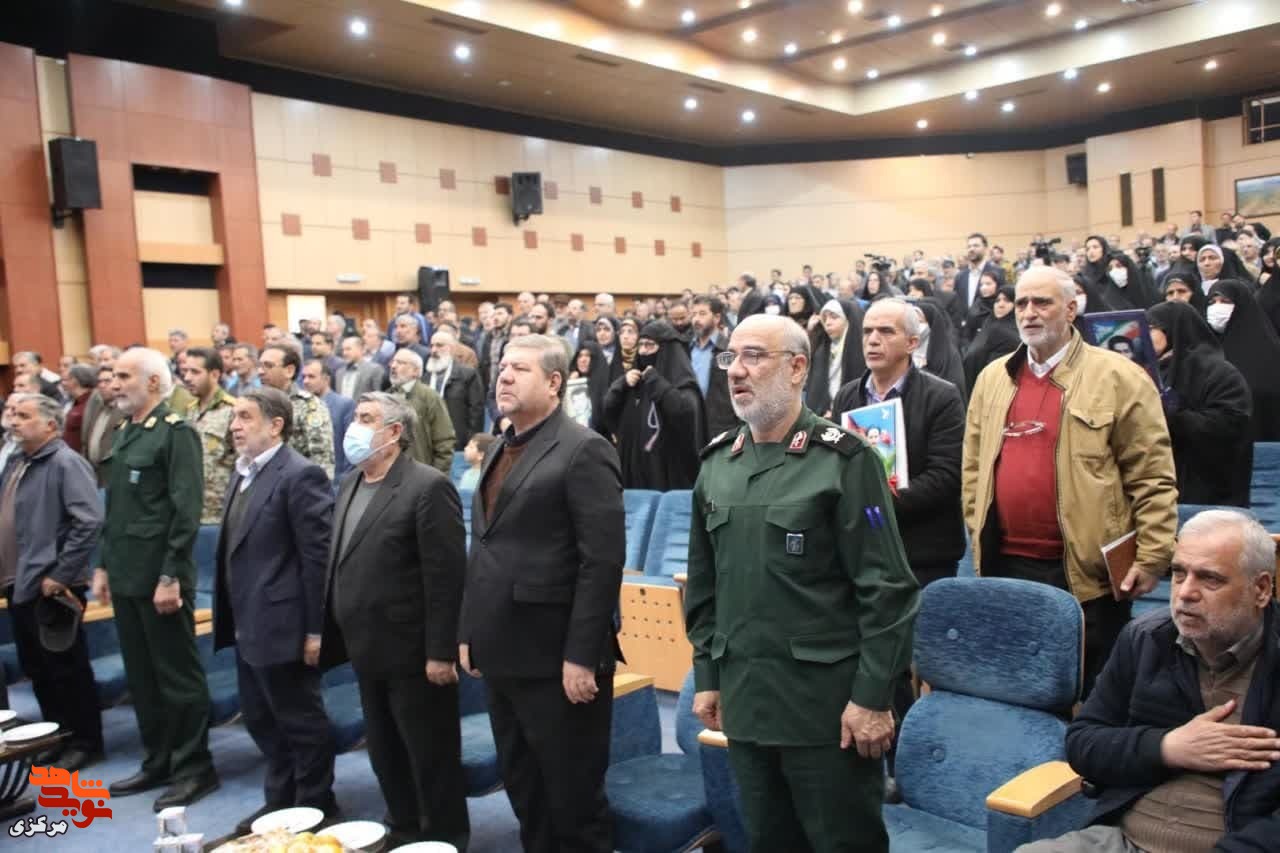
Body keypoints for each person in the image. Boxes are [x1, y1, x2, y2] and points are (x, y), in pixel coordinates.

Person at [685, 314, 920, 853]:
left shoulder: (845, 460)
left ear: (796, 368)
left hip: (827, 713)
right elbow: (703, 588)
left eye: (753, 356)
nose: (735, 370)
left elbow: (888, 590)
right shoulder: (717, 464)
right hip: (746, 703)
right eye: (730, 358)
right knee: (767, 840)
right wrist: (708, 676)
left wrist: (872, 698)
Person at [962, 267, 1178, 695]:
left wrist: (1153, 555)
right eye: (1022, 303)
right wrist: (975, 525)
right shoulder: (992, 378)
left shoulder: (1119, 376)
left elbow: (1152, 474)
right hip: (1008, 568)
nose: (1029, 313)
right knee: (1020, 693)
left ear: (1072, 309)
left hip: (1086, 576)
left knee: (1093, 697)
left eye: (1042, 302)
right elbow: (973, 467)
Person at [1024, 510, 1280, 853]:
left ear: (1260, 589)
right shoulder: (1145, 639)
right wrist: (1168, 748)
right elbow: (1083, 744)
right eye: (1178, 573)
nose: (1185, 593)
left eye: (1210, 579)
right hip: (1123, 840)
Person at [458, 334, 624, 853]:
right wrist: (468, 630)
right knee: (525, 790)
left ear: (554, 383)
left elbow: (601, 562)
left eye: (520, 369)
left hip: (557, 659)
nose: (504, 376)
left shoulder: (584, 448)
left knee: (573, 800)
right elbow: (482, 546)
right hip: (502, 651)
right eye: (502, 367)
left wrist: (582, 655)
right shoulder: (498, 446)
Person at [320, 392, 468, 848]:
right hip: (365, 647)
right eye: (355, 417)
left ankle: (443, 837)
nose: (354, 426)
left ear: (395, 432)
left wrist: (441, 651)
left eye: (366, 419)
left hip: (414, 651)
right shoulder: (350, 483)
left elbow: (446, 578)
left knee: (429, 753)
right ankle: (404, 828)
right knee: (385, 752)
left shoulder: (427, 486)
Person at [95, 348, 218, 807]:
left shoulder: (175, 432)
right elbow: (116, 509)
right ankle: (159, 760)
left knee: (176, 676)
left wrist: (171, 575)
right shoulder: (126, 431)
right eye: (113, 375)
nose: (115, 383)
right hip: (127, 572)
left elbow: (186, 511)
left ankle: (194, 767)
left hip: (160, 575)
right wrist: (103, 565)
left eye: (124, 376)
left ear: (151, 382)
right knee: (142, 676)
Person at [215, 388, 337, 835]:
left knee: (300, 722)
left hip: (285, 624)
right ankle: (280, 803)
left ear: (276, 424)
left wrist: (316, 630)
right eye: (234, 417)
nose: (235, 426)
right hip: (247, 621)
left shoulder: (301, 475)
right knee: (262, 720)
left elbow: (317, 560)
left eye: (245, 417)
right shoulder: (242, 472)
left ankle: (315, 807)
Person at [0, 393, 105, 771]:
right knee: (38, 669)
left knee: (66, 669)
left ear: (50, 424)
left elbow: (88, 522)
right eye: (13, 414)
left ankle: (85, 741)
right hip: (20, 581)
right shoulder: (17, 461)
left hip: (53, 584)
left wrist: (60, 574)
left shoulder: (65, 462)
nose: (14, 421)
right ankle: (57, 736)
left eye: (24, 416)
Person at [1145, 301, 1253, 507]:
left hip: (1207, 490)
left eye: (1150, 328)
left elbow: (1229, 426)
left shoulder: (1219, 373)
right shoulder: (1146, 371)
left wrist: (1172, 417)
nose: (1144, 336)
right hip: (1157, 486)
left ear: (1174, 329)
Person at [601, 319, 707, 490]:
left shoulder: (683, 384)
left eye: (649, 345)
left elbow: (685, 413)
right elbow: (608, 410)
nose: (643, 351)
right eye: (641, 345)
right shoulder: (636, 382)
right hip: (635, 472)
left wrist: (657, 383)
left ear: (665, 349)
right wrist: (621, 385)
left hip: (668, 472)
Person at [1206, 279, 1280, 441]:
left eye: (1225, 301)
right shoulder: (1204, 350)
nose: (1217, 307)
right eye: (1212, 302)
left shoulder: (1269, 351)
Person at [259, 344, 336, 480]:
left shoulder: (309, 406)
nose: (260, 371)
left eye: (268, 366)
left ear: (289, 371)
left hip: (294, 485)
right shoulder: (256, 404)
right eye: (260, 366)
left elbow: (321, 459)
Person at [181, 347, 238, 525]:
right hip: (192, 509)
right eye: (185, 371)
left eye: (195, 372)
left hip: (221, 512)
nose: (187, 378)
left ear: (214, 374)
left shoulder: (233, 410)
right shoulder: (190, 410)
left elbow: (244, 464)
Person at [387, 349, 455, 474]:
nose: (393, 366)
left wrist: (436, 477)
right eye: (393, 362)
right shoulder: (387, 396)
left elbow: (444, 441)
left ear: (416, 371)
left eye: (401, 362)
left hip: (419, 472)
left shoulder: (429, 397)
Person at [806, 298, 866, 419]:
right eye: (824, 318)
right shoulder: (820, 350)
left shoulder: (861, 350)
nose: (828, 322)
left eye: (834, 317)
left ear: (848, 320)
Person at [427, 329, 484, 451]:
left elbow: (476, 412)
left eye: (439, 345)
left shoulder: (468, 374)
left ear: (452, 349)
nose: (434, 350)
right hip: (430, 443)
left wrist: (471, 442)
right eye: (431, 346)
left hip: (458, 443)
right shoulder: (425, 377)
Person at [688, 295, 737, 438]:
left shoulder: (729, 349)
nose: (696, 319)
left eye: (702, 314)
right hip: (690, 422)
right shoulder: (686, 347)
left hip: (719, 426)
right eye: (694, 314)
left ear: (716, 317)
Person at [302, 360, 354, 481]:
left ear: (326, 379)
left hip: (334, 478)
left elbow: (349, 447)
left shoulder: (344, 405)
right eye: (304, 377)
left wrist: (343, 480)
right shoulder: (300, 405)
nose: (306, 381)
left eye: (311, 377)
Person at [963, 285, 1020, 389]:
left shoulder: (1009, 334)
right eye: (997, 301)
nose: (1000, 305)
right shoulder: (989, 326)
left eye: (1007, 300)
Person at [911, 299, 967, 396]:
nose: (916, 326)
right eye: (912, 323)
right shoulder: (906, 348)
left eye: (919, 321)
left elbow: (955, 386)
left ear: (931, 324)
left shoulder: (948, 354)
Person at [82, 364, 126, 484]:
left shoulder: (126, 410)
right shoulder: (96, 408)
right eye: (99, 382)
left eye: (107, 381)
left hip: (114, 476)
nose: (102, 385)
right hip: (93, 474)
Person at [955, 232, 1007, 314]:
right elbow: (957, 303)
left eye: (976, 246)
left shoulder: (998, 272)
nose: (971, 249)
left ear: (985, 248)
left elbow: (1003, 300)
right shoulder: (960, 276)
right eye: (969, 246)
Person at [334, 335, 386, 400]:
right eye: (343, 350)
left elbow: (379, 397)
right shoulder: (339, 372)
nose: (344, 353)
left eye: (348, 349)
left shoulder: (375, 369)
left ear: (362, 349)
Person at [60, 364, 96, 454]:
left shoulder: (93, 403)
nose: (63, 384)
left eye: (67, 380)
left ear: (74, 381)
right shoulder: (73, 402)